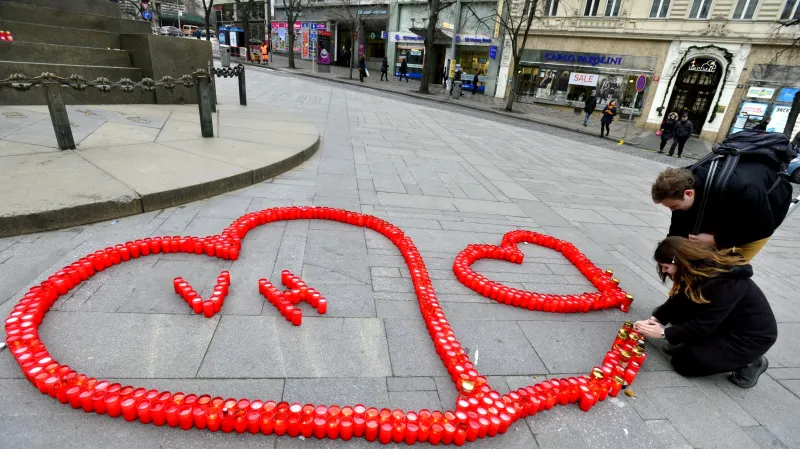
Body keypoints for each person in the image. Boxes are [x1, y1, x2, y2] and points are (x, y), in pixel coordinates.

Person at [634, 237, 776, 387]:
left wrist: (664, 334)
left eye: (665, 267)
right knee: (680, 313)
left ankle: (750, 362)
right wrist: (655, 319)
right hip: (725, 323)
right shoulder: (697, 269)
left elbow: (703, 324)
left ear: (680, 261)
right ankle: (697, 345)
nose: (663, 271)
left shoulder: (724, 284)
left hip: (747, 339)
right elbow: (679, 299)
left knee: (684, 364)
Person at [650, 165, 793, 262]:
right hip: (725, 206)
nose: (672, 210)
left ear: (688, 193)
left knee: (726, 267)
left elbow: (762, 228)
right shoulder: (682, 181)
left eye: (674, 206)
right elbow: (679, 223)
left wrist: (717, 240)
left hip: (763, 216)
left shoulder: (743, 189)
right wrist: (670, 252)